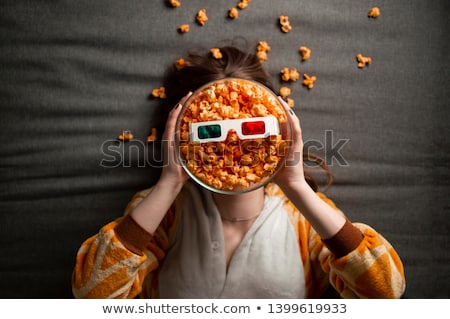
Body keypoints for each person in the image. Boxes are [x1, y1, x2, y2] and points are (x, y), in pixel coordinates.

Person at [72, 46, 406, 299]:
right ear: (181, 136)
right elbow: (91, 296)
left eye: (251, 127)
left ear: (278, 129)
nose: (234, 143)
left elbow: (386, 290)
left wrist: (298, 188)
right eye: (211, 131)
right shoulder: (163, 213)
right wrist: (169, 182)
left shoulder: (305, 218)